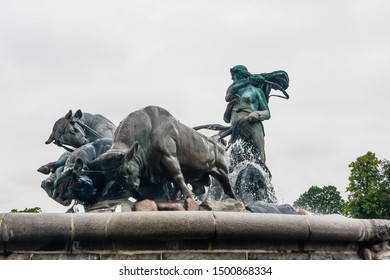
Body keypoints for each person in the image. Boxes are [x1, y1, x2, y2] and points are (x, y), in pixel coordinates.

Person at [223, 65, 289, 164]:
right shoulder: (233, 93)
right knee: (233, 159)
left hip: (253, 126)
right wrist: (228, 108)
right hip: (236, 129)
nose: (232, 78)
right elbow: (226, 119)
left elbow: (267, 113)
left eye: (233, 75)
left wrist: (257, 113)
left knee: (259, 158)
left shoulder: (256, 91)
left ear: (241, 74)